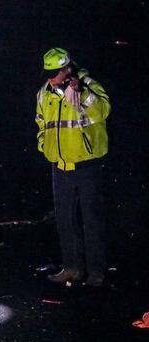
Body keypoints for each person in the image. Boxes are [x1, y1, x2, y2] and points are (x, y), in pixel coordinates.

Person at [35, 47, 110, 287]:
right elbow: (40, 122)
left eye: (55, 72)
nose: (51, 77)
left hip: (86, 164)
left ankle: (96, 272)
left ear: (67, 70)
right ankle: (72, 268)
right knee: (64, 219)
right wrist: (44, 146)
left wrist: (82, 96)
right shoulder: (44, 93)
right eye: (48, 72)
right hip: (59, 165)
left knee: (91, 219)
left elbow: (103, 111)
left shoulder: (88, 86)